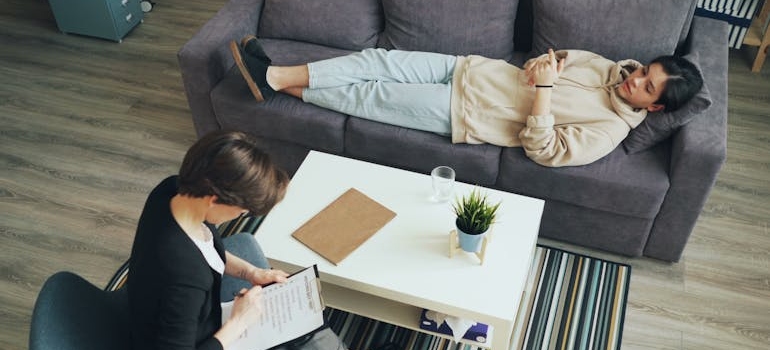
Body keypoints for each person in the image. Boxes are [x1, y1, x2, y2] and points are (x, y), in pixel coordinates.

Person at [229, 36, 703, 167]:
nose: (635, 79)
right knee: (377, 59)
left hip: (461, 112)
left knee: (369, 96)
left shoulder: (610, 130)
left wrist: (543, 92)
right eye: (645, 70)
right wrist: (546, 66)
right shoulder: (606, 68)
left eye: (647, 86)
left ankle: (268, 77)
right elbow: (557, 57)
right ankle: (273, 76)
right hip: (466, 67)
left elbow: (545, 151)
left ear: (655, 108)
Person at [127, 130, 345, 350]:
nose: (241, 215)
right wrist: (239, 322)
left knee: (312, 335)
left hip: (186, 313)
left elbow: (206, 249)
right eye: (241, 211)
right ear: (213, 200)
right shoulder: (186, 278)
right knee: (314, 338)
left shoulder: (174, 190)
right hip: (199, 338)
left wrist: (252, 273)